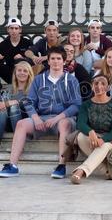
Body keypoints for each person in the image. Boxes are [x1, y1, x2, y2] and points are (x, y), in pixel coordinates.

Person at [0, 46, 82, 178]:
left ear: (64, 61)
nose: (56, 61)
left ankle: (61, 166)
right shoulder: (39, 79)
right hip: (42, 118)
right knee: (21, 124)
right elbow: (29, 101)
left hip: (62, 119)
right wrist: (36, 118)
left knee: (64, 124)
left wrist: (56, 119)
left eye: (59, 58)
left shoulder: (71, 80)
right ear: (48, 61)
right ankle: (13, 166)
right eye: (53, 59)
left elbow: (76, 105)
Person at [70, 74, 112, 184]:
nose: (99, 86)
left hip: (111, 140)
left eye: (103, 83)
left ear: (108, 87)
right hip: (92, 138)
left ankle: (81, 171)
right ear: (92, 87)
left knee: (105, 145)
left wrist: (103, 139)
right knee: (79, 136)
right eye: (96, 83)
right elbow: (80, 123)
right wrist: (90, 131)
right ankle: (105, 170)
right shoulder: (86, 105)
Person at [0, 61, 34, 141]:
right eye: (19, 70)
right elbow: (2, 105)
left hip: (25, 122)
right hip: (8, 123)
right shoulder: (9, 89)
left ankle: (19, 141)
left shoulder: (33, 89)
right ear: (15, 73)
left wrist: (14, 102)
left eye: (25, 71)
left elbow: (30, 103)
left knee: (14, 108)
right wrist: (7, 104)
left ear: (29, 74)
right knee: (2, 110)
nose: (22, 73)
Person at [0, 18, 33, 84]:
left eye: (16, 28)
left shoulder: (27, 42)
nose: (14, 31)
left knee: (21, 62)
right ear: (8, 30)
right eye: (11, 28)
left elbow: (34, 59)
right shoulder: (3, 44)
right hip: (9, 73)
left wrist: (23, 58)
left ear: (20, 30)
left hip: (24, 73)